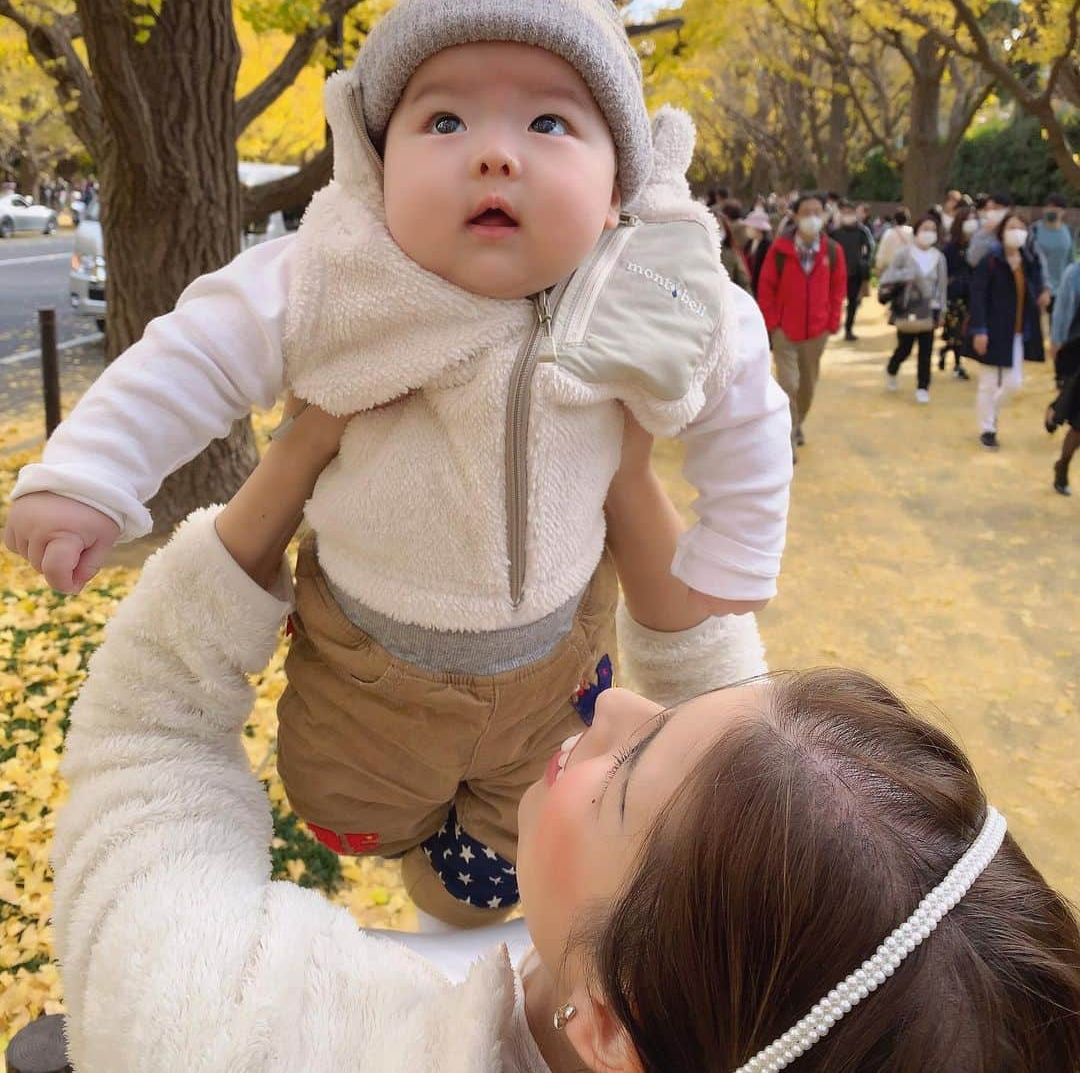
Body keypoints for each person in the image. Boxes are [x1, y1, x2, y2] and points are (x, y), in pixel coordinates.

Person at [4, 0, 792, 927]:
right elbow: (190, 351)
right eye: (445, 118)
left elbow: (748, 403)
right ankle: (375, 822)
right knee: (348, 804)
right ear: (377, 165)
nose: (493, 152)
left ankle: (479, 852)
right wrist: (90, 476)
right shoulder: (342, 277)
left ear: (617, 190)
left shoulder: (654, 292)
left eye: (549, 120)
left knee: (512, 841)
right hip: (371, 658)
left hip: (555, 655)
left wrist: (738, 546)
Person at [47, 403, 1080, 1071]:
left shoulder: (252, 1037)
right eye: (661, 714)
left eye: (626, 775)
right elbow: (728, 767)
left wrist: (297, 458)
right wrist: (625, 472)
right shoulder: (710, 1005)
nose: (614, 704)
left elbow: (145, 764)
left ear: (607, 1025)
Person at [757, 191, 846, 452]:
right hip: (785, 330)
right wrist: (772, 323)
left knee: (806, 387)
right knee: (788, 384)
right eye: (806, 212)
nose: (812, 217)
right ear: (795, 216)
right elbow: (766, 287)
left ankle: (797, 423)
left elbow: (838, 289)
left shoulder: (832, 250)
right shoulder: (779, 250)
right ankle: (788, 437)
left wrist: (832, 321)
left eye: (817, 212)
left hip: (816, 332)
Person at [965, 211, 1050, 449]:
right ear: (1001, 232)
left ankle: (990, 412)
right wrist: (979, 329)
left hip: (1020, 330)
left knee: (1014, 383)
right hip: (993, 328)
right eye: (1011, 227)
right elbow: (978, 296)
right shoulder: (991, 260)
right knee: (989, 382)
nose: (1017, 232)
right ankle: (987, 429)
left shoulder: (1028, 260)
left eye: (1021, 227)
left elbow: (1036, 285)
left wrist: (1042, 293)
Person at [879, 215, 947, 403]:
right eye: (925, 229)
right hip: (906, 307)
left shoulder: (939, 257)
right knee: (905, 348)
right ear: (916, 231)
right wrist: (908, 275)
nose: (929, 233)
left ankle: (923, 387)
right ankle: (892, 369)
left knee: (926, 352)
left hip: (929, 309)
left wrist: (942, 311)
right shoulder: (904, 254)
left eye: (933, 230)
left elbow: (941, 286)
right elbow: (888, 277)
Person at [1047, 257, 1080, 495]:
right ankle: (1063, 464)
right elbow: (1063, 311)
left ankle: (1057, 408)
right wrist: (1057, 340)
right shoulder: (1075, 273)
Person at [939, 201, 977, 380]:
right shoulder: (951, 247)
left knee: (964, 330)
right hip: (954, 295)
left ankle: (946, 352)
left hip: (971, 294)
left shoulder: (976, 246)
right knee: (955, 331)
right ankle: (957, 364)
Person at [829, 199, 875, 341]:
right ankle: (832, 325)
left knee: (853, 302)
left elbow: (869, 248)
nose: (847, 215)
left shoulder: (861, 231)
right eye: (844, 213)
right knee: (834, 300)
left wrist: (864, 261)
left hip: (855, 272)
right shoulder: (835, 233)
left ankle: (849, 329)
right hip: (836, 272)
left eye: (850, 212)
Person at [1031, 193, 1075, 317]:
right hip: (1038, 290)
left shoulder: (1069, 232)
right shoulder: (1034, 230)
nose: (1051, 210)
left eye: (1055, 208)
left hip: (1061, 291)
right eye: (1048, 207)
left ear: (1063, 212)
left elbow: (1070, 261)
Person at [967, 191, 1014, 269]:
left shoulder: (1016, 229)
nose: (991, 212)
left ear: (1008, 209)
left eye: (995, 208)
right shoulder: (983, 229)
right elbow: (972, 259)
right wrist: (984, 232)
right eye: (988, 209)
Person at [714, 207, 752, 292]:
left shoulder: (731, 254)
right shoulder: (696, 254)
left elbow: (744, 281)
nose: (716, 232)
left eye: (718, 229)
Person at [742, 207, 773, 297]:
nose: (747, 229)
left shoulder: (767, 246)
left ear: (758, 229)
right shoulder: (749, 243)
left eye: (749, 227)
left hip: (760, 288)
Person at [873, 207, 913, 274]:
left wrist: (879, 267)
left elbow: (881, 254)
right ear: (908, 219)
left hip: (891, 271)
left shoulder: (889, 233)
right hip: (908, 271)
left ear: (895, 220)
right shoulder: (913, 233)